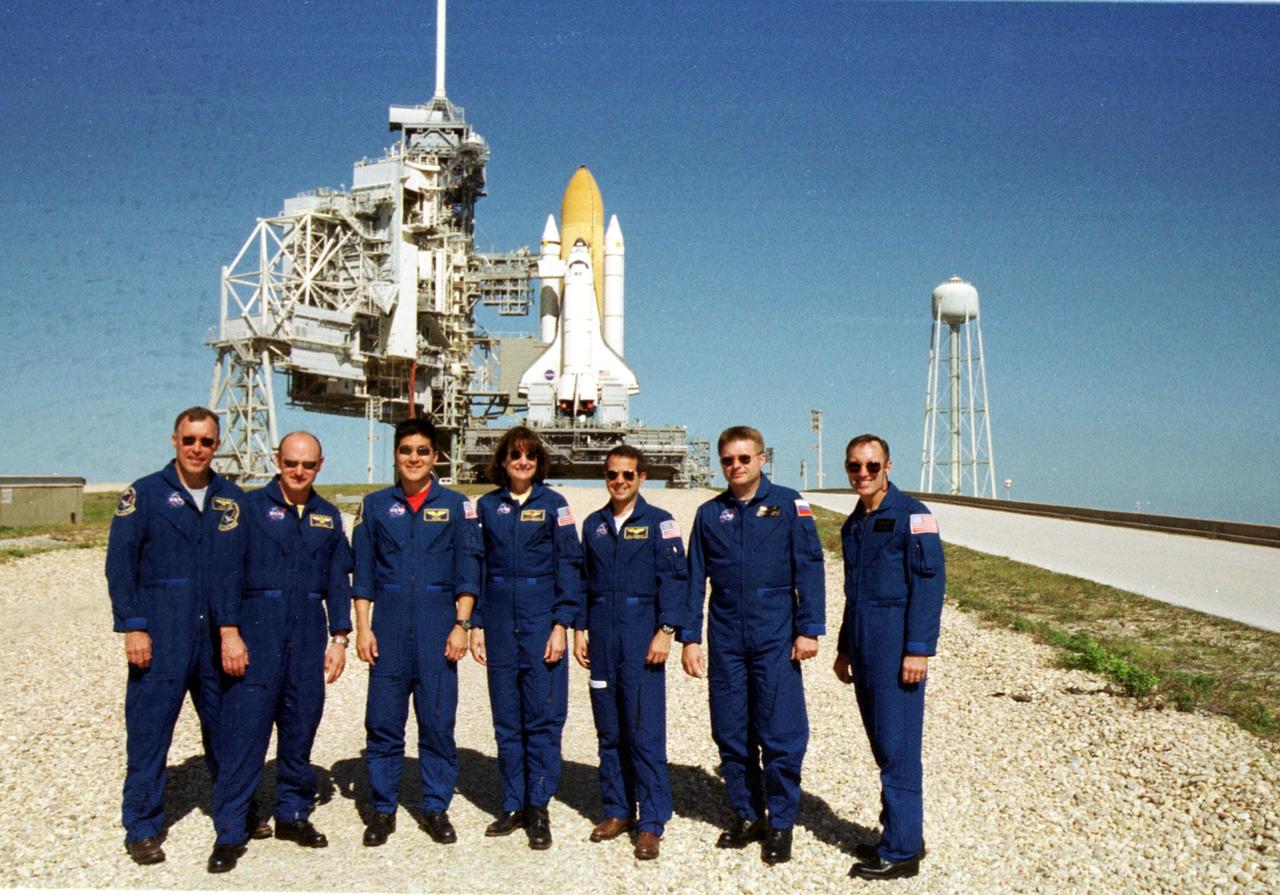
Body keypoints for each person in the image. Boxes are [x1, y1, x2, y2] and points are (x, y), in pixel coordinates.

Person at [205, 431, 353, 873]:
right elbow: (224, 573)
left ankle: (292, 815)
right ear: (278, 461)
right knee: (244, 738)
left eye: (307, 465)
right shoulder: (247, 509)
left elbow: (337, 582)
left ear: (320, 466)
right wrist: (229, 632)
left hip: (307, 635)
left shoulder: (328, 517)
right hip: (257, 632)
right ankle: (231, 832)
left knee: (299, 732)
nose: (299, 472)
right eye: (291, 463)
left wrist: (339, 638)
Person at [105, 406, 246, 865]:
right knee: (149, 734)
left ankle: (234, 815)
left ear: (217, 444)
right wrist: (133, 626)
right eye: (190, 440)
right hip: (161, 635)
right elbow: (120, 566)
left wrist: (235, 631)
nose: (197, 449)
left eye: (206, 441)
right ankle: (142, 827)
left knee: (226, 732)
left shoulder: (232, 498)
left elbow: (241, 568)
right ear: (174, 441)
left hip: (215, 636)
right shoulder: (143, 494)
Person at [680, 425, 825, 865]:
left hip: (775, 636)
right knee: (731, 731)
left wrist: (809, 628)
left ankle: (781, 822)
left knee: (780, 732)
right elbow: (694, 581)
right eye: (728, 460)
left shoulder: (788, 504)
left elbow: (810, 567)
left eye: (745, 458)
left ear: (762, 459)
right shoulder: (709, 514)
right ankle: (747, 814)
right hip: (726, 638)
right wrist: (690, 637)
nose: (736, 466)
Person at [353, 418, 483, 848]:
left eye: (423, 451)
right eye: (406, 450)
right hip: (388, 630)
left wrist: (462, 625)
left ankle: (434, 806)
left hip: (436, 629)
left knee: (437, 723)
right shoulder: (374, 506)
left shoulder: (456, 504)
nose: (414, 458)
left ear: (436, 457)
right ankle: (384, 808)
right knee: (384, 725)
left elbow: (468, 569)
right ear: (396, 454)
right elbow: (364, 575)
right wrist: (363, 629)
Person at [834, 434, 944, 881]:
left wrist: (918, 649)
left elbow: (929, 585)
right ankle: (899, 831)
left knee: (898, 748)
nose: (862, 474)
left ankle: (902, 852)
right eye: (855, 467)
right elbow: (852, 591)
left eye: (871, 466)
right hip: (863, 646)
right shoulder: (853, 524)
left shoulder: (913, 517)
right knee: (884, 745)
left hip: (897, 647)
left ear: (888, 467)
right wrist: (844, 647)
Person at [471, 426, 584, 850]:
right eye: (515, 456)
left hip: (541, 622)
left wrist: (561, 624)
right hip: (500, 622)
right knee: (507, 720)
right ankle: (513, 803)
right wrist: (476, 624)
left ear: (539, 464)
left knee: (542, 718)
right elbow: (475, 567)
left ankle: (539, 805)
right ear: (502, 461)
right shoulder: (486, 507)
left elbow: (570, 565)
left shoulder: (555, 505)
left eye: (530, 457)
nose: (522, 463)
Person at [572, 445, 687, 861]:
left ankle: (652, 821)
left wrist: (667, 630)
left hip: (642, 636)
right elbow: (583, 582)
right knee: (610, 729)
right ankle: (618, 809)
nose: (619, 482)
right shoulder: (594, 525)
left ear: (642, 478)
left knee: (644, 730)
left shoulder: (660, 523)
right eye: (612, 475)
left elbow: (677, 580)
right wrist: (579, 629)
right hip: (602, 634)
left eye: (627, 475)